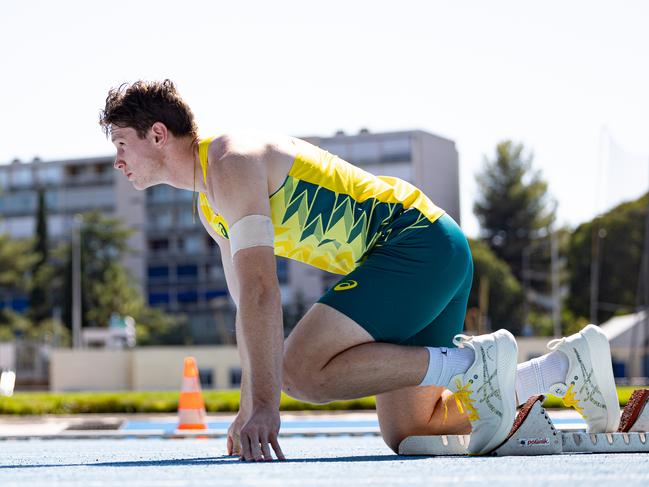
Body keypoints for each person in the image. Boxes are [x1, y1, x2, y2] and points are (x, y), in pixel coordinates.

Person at [99, 80, 621, 461]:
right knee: (414, 430)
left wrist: (268, 404)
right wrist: (247, 409)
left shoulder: (231, 163)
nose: (118, 161)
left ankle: (472, 365)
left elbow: (263, 292)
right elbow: (246, 311)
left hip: (416, 243)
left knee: (299, 369)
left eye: (122, 144)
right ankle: (562, 369)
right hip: (415, 258)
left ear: (159, 134)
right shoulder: (207, 206)